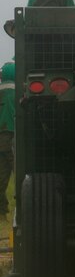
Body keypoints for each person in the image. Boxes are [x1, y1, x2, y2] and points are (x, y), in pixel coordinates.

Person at [0, 61, 15, 217]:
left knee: (2, 176)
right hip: (13, 136)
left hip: (1, 137)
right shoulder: (18, 90)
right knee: (21, 173)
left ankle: (2, 211)